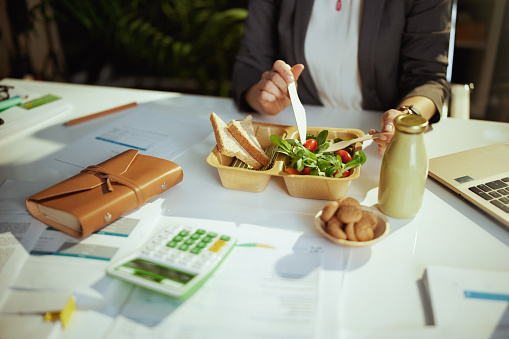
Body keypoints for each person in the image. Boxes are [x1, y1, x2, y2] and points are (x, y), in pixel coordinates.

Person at [231, 0, 451, 154]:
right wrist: (264, 98)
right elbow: (249, 67)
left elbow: (428, 78)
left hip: (377, 146)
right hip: (299, 135)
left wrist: (405, 117)